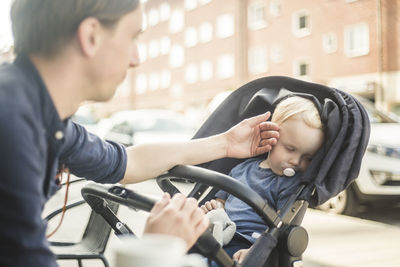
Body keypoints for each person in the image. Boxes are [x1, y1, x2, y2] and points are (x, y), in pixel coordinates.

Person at [0, 1, 280, 266]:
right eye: (132, 37)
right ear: (91, 36)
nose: (136, 58)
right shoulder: (12, 127)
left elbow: (128, 162)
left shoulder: (39, 112)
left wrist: (225, 143)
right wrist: (156, 249)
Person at [201, 96, 325, 264]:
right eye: (290, 149)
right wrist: (216, 206)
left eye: (307, 158)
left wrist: (255, 251)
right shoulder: (241, 169)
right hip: (220, 233)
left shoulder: (290, 184)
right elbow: (221, 200)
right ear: (271, 137)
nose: (296, 161)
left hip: (249, 243)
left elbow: (280, 228)